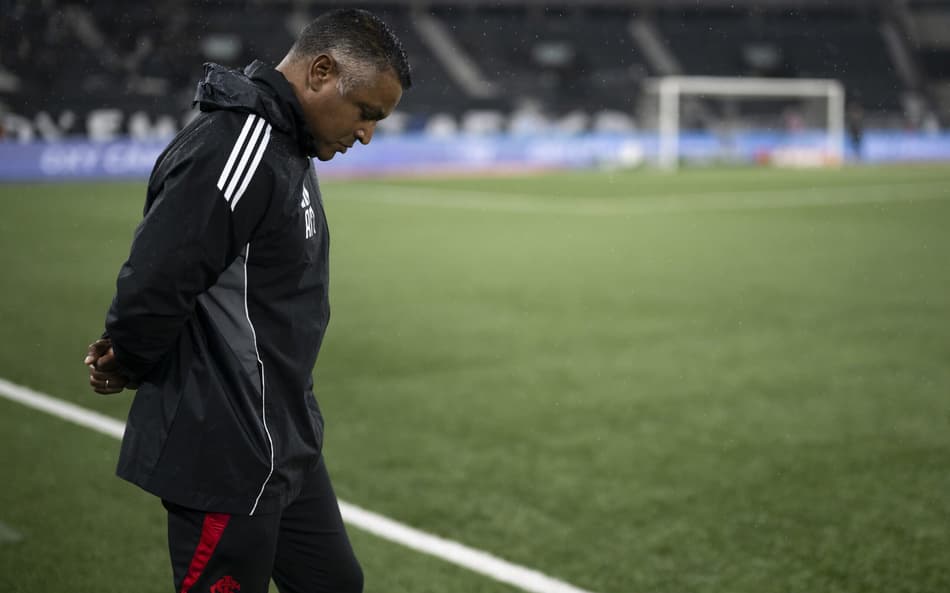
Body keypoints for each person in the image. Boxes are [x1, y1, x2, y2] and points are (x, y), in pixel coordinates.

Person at [83, 9, 411, 593]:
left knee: (335, 583)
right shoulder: (242, 145)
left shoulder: (286, 144)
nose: (366, 134)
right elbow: (158, 278)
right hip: (228, 446)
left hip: (283, 435)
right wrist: (129, 357)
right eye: (365, 112)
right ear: (321, 71)